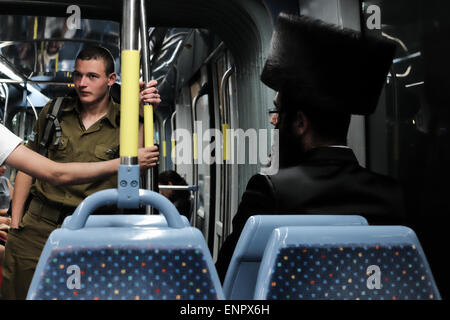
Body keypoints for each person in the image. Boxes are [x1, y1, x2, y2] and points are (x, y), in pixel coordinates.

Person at [215, 13, 406, 281]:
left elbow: (227, 278)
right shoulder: (393, 196)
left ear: (300, 122)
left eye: (278, 112)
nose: (273, 121)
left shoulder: (269, 192)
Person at [1, 45, 161, 300]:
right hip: (39, 225)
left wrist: (142, 111)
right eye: (78, 75)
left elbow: (136, 167)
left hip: (94, 228)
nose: (82, 83)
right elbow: (29, 166)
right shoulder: (54, 112)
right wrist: (17, 221)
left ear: (111, 80)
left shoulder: (127, 121)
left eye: (92, 76)